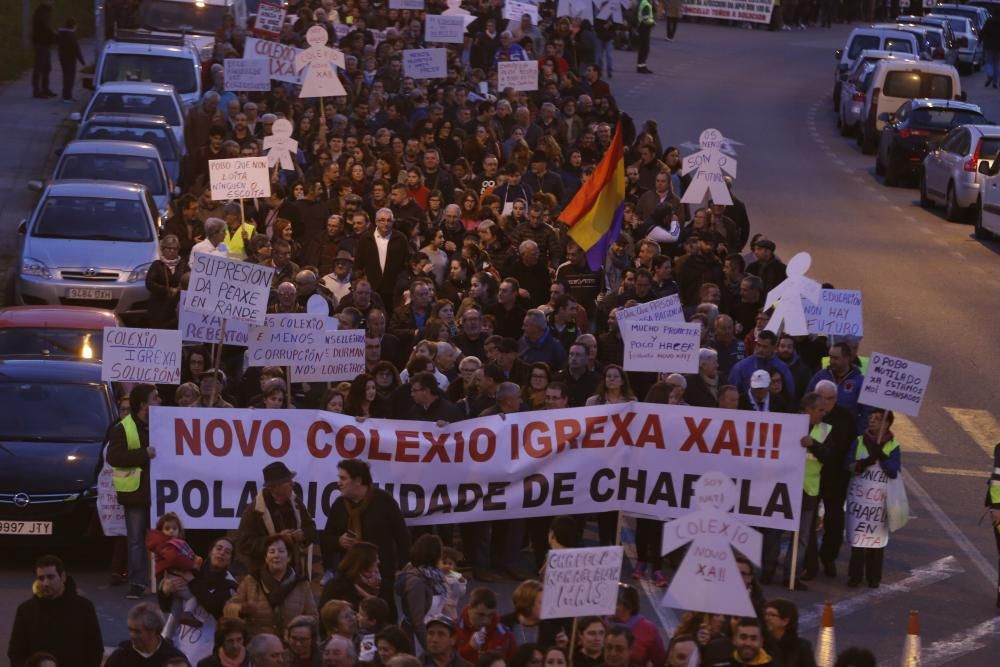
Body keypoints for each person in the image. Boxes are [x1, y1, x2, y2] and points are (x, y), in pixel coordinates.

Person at [323, 459, 411, 617]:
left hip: (382, 574)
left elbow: (402, 536)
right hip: (350, 576)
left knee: (384, 616)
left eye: (343, 478)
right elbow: (326, 538)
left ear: (357, 480)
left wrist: (401, 567)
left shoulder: (384, 501)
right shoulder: (339, 505)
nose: (339, 483)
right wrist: (338, 541)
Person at [106, 383, 160, 600]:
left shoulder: (163, 424)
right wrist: (143, 454)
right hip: (136, 493)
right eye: (155, 398)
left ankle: (161, 580)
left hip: (160, 492)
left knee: (162, 539)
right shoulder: (122, 428)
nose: (160, 401)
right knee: (136, 540)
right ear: (143, 404)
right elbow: (114, 457)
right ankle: (137, 583)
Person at [7, 555, 103, 667]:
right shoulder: (26, 611)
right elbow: (16, 652)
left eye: (50, 577)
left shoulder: (84, 607)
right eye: (41, 578)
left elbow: (95, 649)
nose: (45, 583)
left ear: (63, 577)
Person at [846, 409, 900, 589]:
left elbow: (893, 470)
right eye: (871, 418)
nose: (872, 422)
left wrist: (882, 456)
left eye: (877, 419)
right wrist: (864, 462)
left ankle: (873, 577)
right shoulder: (860, 441)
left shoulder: (893, 445)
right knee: (858, 538)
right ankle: (854, 576)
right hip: (860, 501)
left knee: (876, 542)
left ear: (887, 424)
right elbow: (849, 466)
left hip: (879, 503)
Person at [225, 534, 318, 637]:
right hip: (258, 644)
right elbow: (228, 608)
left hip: (292, 645)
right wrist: (241, 609)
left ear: (289, 557)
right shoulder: (251, 581)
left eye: (281, 551)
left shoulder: (301, 584)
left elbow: (313, 617)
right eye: (272, 552)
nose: (276, 555)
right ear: (266, 557)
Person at [236, 461, 317, 575]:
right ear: (274, 487)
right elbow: (244, 544)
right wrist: (276, 540)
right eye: (288, 481)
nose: (293, 484)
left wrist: (303, 534)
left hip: (294, 573)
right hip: (264, 576)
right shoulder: (255, 511)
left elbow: (312, 529)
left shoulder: (296, 503)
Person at [145, 512, 203, 628]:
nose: (171, 531)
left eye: (174, 528)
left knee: (176, 610)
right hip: (172, 577)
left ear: (179, 530)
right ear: (161, 531)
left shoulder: (169, 544)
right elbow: (175, 559)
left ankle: (168, 637)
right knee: (194, 597)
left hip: (170, 578)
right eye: (167, 528)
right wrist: (192, 565)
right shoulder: (167, 545)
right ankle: (188, 614)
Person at [105, 603, 186, 665]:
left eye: (137, 631)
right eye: (130, 630)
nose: (132, 635)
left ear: (154, 631)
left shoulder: (174, 659)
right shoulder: (120, 656)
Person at [455, 588, 517, 664]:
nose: (486, 621)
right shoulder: (452, 629)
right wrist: (470, 648)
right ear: (469, 609)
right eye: (480, 615)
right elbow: (446, 662)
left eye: (490, 615)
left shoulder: (505, 634)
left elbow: (514, 663)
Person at [608, 585, 665, 667]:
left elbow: (660, 662)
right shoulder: (600, 624)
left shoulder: (648, 630)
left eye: (614, 603)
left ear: (629, 606)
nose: (608, 607)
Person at [763, 599, 815, 667]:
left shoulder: (802, 647)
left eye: (772, 615)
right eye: (765, 614)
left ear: (785, 621)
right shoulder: (761, 643)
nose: (766, 618)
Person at [31, 0, 56, 98]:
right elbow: (45, 27)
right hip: (41, 43)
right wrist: (54, 34)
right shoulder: (41, 12)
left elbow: (47, 27)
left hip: (45, 43)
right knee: (39, 67)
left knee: (46, 68)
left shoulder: (45, 11)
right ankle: (37, 91)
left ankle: (45, 89)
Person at [56, 18, 85, 102]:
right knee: (70, 77)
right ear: (73, 25)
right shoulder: (71, 36)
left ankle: (65, 95)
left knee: (66, 76)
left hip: (63, 58)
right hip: (70, 59)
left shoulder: (62, 34)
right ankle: (67, 97)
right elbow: (76, 49)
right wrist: (82, 61)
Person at [636, 0, 655, 74]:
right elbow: (645, 18)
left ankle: (641, 66)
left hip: (642, 27)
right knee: (645, 48)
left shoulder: (643, 2)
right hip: (645, 27)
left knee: (643, 48)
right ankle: (642, 67)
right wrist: (652, 22)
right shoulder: (646, 4)